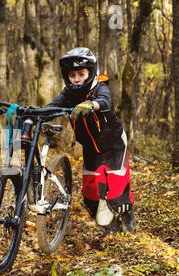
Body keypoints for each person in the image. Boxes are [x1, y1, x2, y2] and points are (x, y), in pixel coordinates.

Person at [46, 47, 135, 233]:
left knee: (116, 192)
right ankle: (107, 226)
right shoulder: (67, 93)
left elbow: (105, 101)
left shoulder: (99, 87)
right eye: (72, 75)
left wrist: (92, 104)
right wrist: (34, 113)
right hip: (90, 148)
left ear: (90, 73)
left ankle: (126, 220)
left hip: (113, 145)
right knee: (91, 194)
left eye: (81, 73)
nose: (76, 79)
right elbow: (53, 106)